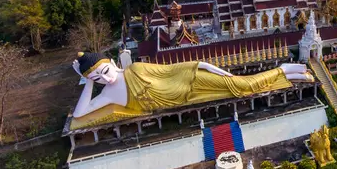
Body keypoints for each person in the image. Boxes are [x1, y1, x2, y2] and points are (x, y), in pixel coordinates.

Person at [70, 52, 313, 129]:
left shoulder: (135, 69)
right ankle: (289, 73)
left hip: (193, 79)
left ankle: (284, 70)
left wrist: (210, 67)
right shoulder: (108, 95)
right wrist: (88, 81)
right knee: (243, 91)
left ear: (112, 63)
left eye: (104, 71)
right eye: (98, 79)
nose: (106, 78)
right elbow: (80, 115)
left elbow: (171, 69)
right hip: (190, 97)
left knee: (245, 86)